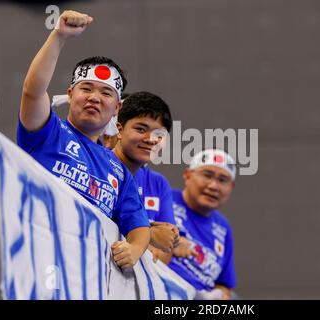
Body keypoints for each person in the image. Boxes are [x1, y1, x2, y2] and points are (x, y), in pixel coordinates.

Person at [17, 10, 150, 269]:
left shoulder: (119, 173)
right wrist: (59, 36)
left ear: (117, 108)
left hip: (82, 279)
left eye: (105, 93)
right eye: (86, 89)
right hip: (35, 264)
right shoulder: (48, 131)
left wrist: (133, 249)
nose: (94, 97)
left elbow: (139, 225)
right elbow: (33, 91)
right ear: (70, 94)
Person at [112, 91, 180, 264]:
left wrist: (149, 235)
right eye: (140, 129)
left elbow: (167, 243)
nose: (151, 139)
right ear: (119, 130)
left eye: (159, 135)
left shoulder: (140, 180)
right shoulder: (100, 164)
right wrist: (151, 234)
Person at [169, 149, 237, 300]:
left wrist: (221, 295)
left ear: (231, 188)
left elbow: (224, 284)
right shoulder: (165, 198)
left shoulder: (223, 228)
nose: (214, 186)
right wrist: (169, 241)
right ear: (188, 175)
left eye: (223, 180)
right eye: (207, 175)